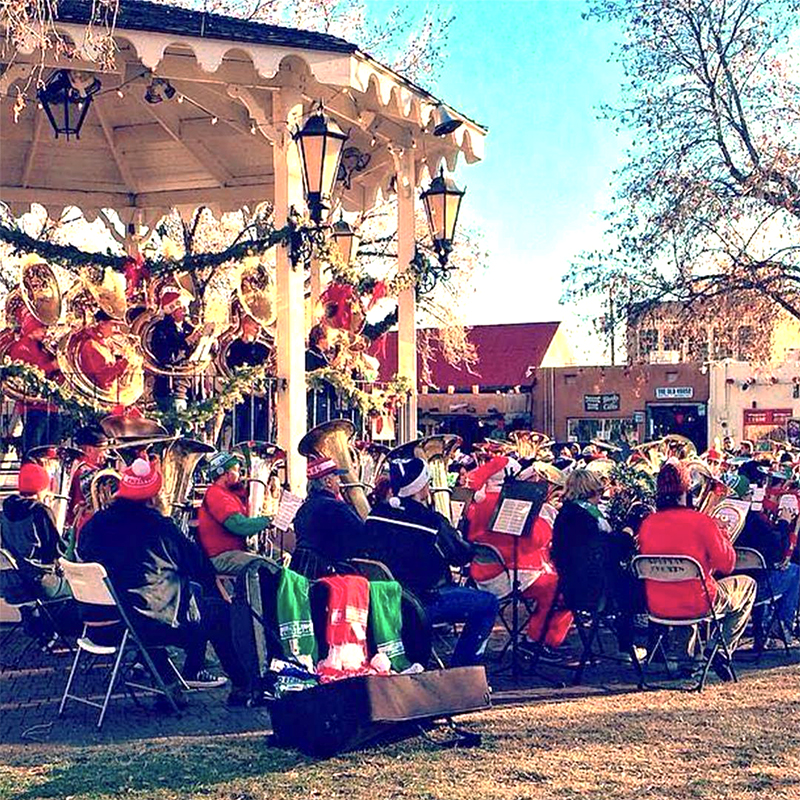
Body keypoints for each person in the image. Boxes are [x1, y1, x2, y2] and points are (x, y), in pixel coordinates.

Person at [78, 457, 248, 700]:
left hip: (99, 623)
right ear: (151, 497)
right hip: (144, 625)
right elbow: (198, 566)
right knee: (218, 612)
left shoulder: (94, 525)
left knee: (188, 598)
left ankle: (169, 687)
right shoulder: (160, 527)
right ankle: (241, 687)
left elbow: (83, 555)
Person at [363, 457, 499, 667]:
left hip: (383, 600)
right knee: (488, 603)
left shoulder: (375, 514)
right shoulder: (430, 521)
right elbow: (460, 556)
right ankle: (463, 668)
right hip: (420, 602)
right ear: (421, 487)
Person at [637, 461, 757, 681]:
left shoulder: (648, 523)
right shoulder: (701, 522)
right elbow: (727, 565)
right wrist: (722, 536)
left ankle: (687, 662)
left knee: (683, 588)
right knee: (749, 586)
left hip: (658, 604)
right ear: (686, 490)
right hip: (698, 602)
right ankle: (720, 649)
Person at [466, 457, 573, 660]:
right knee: (562, 587)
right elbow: (534, 541)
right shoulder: (510, 501)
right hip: (505, 572)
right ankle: (539, 641)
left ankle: (538, 636)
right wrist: (546, 513)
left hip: (480, 571)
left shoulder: (480, 501)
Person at [551, 469, 644, 660]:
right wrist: (627, 533)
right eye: (599, 493)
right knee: (638, 587)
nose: (600, 497)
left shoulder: (565, 513)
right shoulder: (586, 517)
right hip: (593, 591)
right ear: (591, 491)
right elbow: (607, 551)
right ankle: (628, 647)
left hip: (569, 586)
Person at [733, 467, 800, 648]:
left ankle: (768, 630)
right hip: (753, 589)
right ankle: (781, 629)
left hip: (731, 587)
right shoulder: (756, 522)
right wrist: (785, 522)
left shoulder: (729, 521)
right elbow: (778, 552)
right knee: (794, 571)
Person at [0, 461, 70, 601]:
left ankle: (35, 616)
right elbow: (57, 550)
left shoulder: (5, 511)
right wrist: (69, 537)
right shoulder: (40, 511)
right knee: (78, 586)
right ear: (42, 487)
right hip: (40, 582)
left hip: (12, 581)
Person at [196, 452, 273, 576]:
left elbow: (249, 518)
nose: (240, 475)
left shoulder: (231, 495)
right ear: (226, 474)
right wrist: (267, 520)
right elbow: (239, 526)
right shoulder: (216, 494)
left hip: (235, 551)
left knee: (283, 557)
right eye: (236, 470)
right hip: (222, 556)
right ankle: (256, 596)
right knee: (262, 565)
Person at [291, 456, 366, 579]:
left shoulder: (304, 508)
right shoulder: (337, 508)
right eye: (336, 476)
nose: (339, 481)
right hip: (329, 576)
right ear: (328, 481)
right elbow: (362, 537)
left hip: (302, 571)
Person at [150, 286, 196, 412]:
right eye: (180, 308)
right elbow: (167, 357)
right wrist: (187, 342)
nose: (184, 310)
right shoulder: (161, 329)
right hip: (170, 388)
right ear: (172, 310)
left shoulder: (188, 328)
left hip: (189, 386)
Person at [226, 315, 271, 442]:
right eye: (255, 324)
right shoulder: (235, 346)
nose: (259, 328)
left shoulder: (263, 348)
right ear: (245, 326)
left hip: (261, 397)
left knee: (261, 432)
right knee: (244, 432)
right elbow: (233, 366)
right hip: (244, 397)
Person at [66, 424, 109, 538]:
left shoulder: (75, 465)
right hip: (86, 527)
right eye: (103, 450)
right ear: (89, 449)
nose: (106, 455)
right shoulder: (88, 472)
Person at [305, 324, 336, 426]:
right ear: (321, 339)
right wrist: (333, 367)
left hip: (325, 397)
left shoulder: (321, 355)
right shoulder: (311, 354)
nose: (331, 343)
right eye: (329, 339)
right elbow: (315, 374)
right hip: (318, 397)